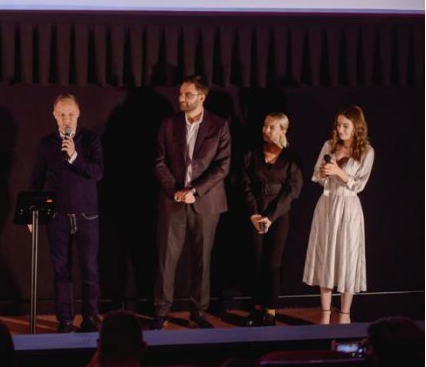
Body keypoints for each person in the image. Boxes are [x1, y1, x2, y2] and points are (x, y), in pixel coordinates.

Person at [151, 75, 231, 330]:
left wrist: (195, 191)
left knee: (202, 260)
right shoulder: (169, 123)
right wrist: (175, 190)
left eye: (187, 95)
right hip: (173, 200)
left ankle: (198, 313)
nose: (181, 98)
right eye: (180, 94)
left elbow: (222, 166)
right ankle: (161, 312)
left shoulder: (219, 125)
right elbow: (159, 161)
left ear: (201, 97)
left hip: (205, 202)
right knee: (166, 259)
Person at [28, 93, 104, 333]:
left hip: (86, 216)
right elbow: (37, 179)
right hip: (56, 216)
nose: (67, 119)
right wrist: (31, 213)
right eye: (62, 115)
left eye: (71, 114)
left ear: (78, 114)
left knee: (89, 268)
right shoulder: (46, 144)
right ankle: (66, 319)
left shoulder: (90, 140)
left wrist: (74, 157)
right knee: (61, 270)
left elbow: (98, 172)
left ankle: (90, 317)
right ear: (54, 116)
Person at [303, 105, 374, 324]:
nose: (340, 130)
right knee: (326, 255)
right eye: (338, 125)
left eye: (345, 126)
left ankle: (344, 314)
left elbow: (359, 185)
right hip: (327, 204)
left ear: (356, 127)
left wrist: (339, 173)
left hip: (349, 207)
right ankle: (325, 313)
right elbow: (316, 176)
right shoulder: (329, 145)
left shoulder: (366, 151)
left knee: (347, 257)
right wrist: (324, 173)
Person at [241, 113, 303, 327]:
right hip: (255, 214)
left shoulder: (291, 158)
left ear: (283, 130)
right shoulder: (252, 154)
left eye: (271, 127)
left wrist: (271, 217)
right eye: (264, 126)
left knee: (272, 264)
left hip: (278, 215)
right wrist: (253, 213)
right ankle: (256, 307)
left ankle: (270, 309)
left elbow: (292, 190)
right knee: (256, 261)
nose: (265, 130)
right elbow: (244, 184)